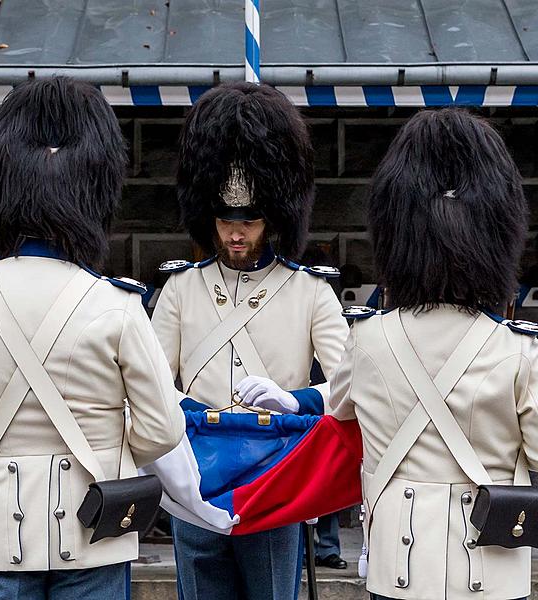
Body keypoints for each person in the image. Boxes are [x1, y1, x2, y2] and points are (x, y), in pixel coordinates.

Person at [0, 78, 185, 600]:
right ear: (92, 195)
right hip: (95, 527)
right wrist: (112, 448)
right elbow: (163, 430)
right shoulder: (117, 304)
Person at [328, 108, 538, 600]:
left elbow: (339, 409)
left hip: (396, 568)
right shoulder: (517, 349)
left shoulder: (367, 340)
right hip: (489, 570)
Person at [151, 82, 349, 600]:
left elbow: (355, 382)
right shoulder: (180, 288)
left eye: (250, 220)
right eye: (225, 220)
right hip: (196, 474)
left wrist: (299, 400)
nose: (236, 233)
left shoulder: (311, 291)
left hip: (272, 475)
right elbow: (148, 378)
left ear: (274, 218)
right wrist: (185, 408)